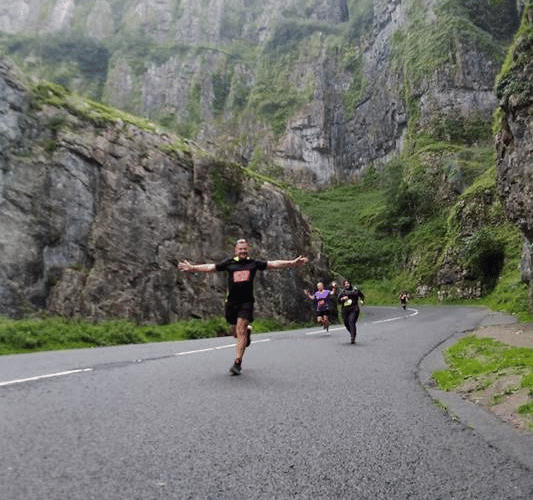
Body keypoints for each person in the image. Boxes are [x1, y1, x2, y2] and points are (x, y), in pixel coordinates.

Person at [178, 239, 308, 375]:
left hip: (246, 302)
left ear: (248, 250)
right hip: (231, 303)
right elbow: (211, 268)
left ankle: (237, 363)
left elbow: (273, 264)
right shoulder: (229, 263)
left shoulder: (253, 263)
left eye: (245, 249)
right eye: (240, 249)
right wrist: (193, 268)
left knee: (240, 329)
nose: (243, 251)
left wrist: (292, 263)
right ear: (236, 250)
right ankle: (247, 334)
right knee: (236, 332)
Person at [337, 279, 365, 344]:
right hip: (345, 310)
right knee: (346, 323)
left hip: (354, 309)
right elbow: (338, 301)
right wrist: (342, 299)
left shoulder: (355, 290)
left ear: (350, 284)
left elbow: (361, 296)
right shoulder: (342, 292)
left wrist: (361, 301)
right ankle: (352, 333)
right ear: (343, 285)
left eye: (348, 283)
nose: (347, 285)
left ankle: (353, 337)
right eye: (345, 284)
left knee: (351, 321)